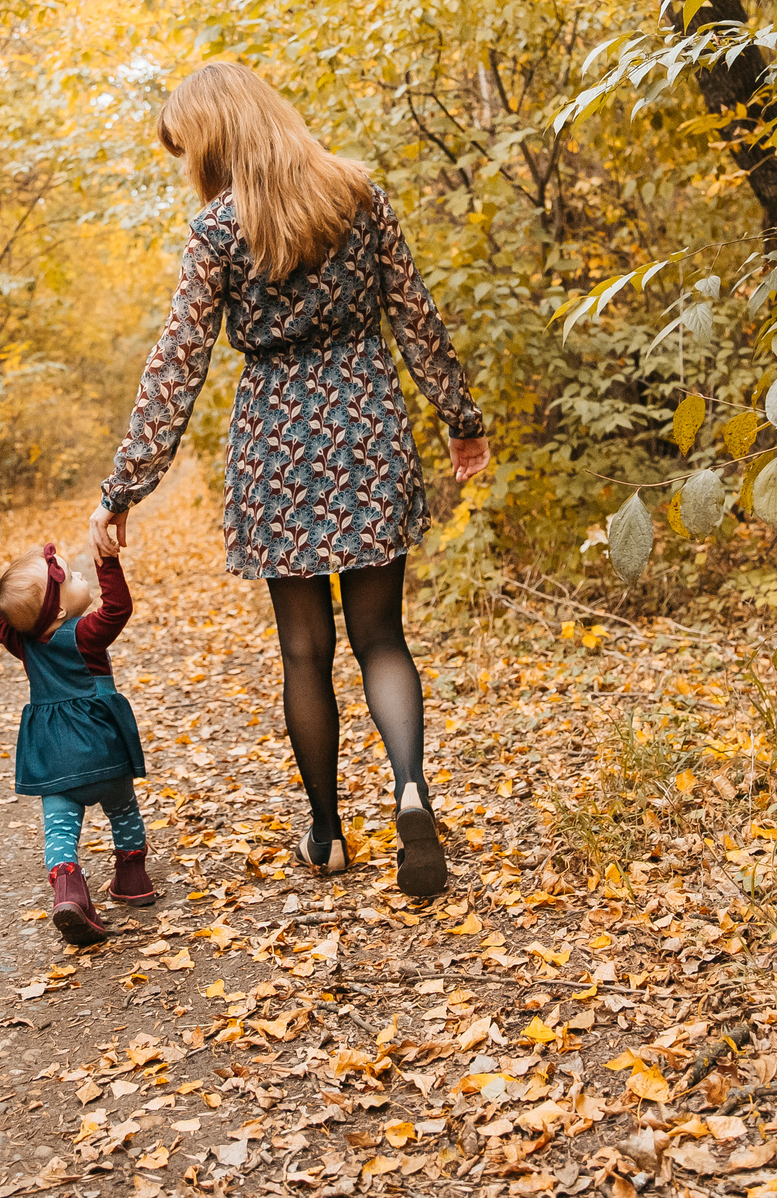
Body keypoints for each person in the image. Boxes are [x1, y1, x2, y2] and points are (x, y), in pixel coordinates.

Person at [90, 62, 489, 899]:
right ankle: (411, 788)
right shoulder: (357, 192)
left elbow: (177, 366)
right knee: (381, 636)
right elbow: (415, 316)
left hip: (277, 443)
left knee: (304, 649)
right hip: (368, 425)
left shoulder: (217, 231)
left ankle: (329, 833)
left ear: (217, 136)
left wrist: (125, 485)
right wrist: (461, 420)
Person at [0, 538, 154, 944]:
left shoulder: (25, 644)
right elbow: (118, 609)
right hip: (105, 752)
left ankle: (69, 889)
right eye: (73, 575)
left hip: (55, 761)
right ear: (61, 610)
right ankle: (132, 879)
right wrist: (108, 562)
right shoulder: (84, 635)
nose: (81, 575)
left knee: (60, 829)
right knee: (123, 809)